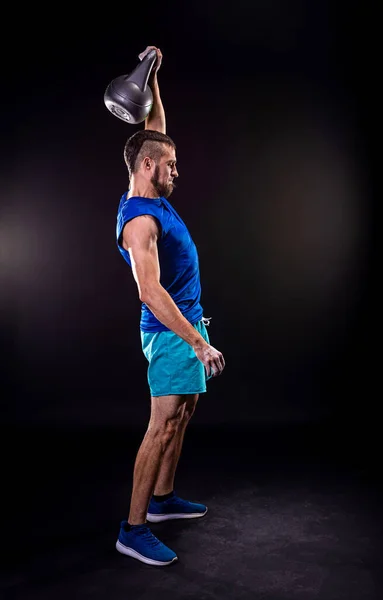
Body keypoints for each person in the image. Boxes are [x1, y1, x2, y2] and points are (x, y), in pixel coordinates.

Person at [114, 46, 226, 567]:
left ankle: (162, 502)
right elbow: (150, 293)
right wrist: (198, 341)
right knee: (160, 425)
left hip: (184, 326)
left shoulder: (149, 185)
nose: (177, 172)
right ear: (149, 167)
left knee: (183, 413)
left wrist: (152, 75)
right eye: (172, 166)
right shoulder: (140, 222)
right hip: (169, 332)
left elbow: (153, 128)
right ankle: (133, 529)